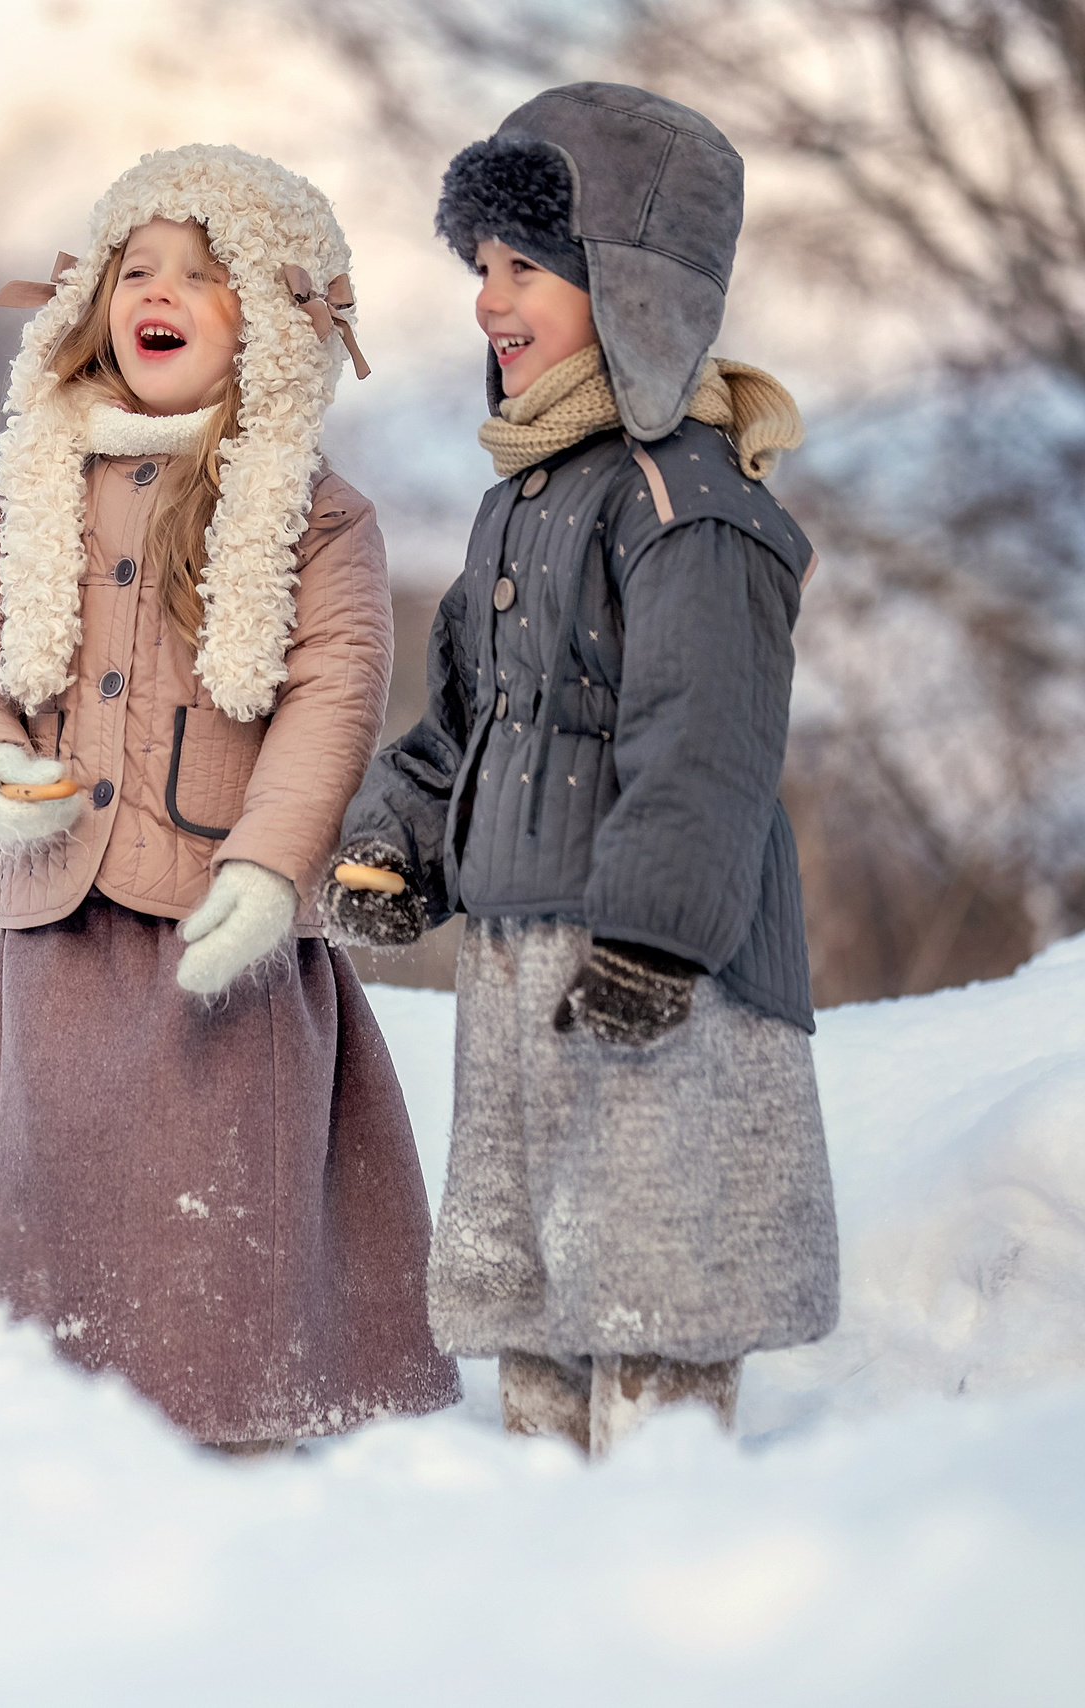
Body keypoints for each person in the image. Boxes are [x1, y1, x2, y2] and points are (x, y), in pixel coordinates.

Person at [0, 143, 461, 1451]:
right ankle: (25, 1430)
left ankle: (233, 1428)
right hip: (57, 923)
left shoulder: (319, 515)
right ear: (89, 300)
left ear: (274, 317)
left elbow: (333, 693)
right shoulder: (39, 488)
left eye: (203, 275)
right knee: (50, 1191)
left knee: (209, 1191)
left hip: (221, 932)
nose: (160, 287)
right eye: (135, 266)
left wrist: (273, 867)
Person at [324, 83, 839, 1457]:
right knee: (541, 1277)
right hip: (520, 965)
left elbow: (707, 741)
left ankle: (667, 1526)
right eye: (480, 266)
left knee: (651, 1268)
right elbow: (468, 721)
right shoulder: (522, 500)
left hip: (658, 969)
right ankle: (544, 1539)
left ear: (634, 292)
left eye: (528, 267)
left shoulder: (691, 503)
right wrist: (397, 840)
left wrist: (656, 940)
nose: (490, 299)